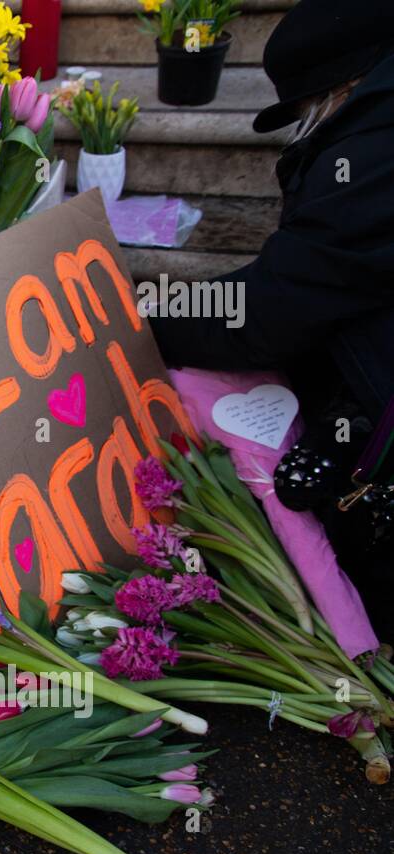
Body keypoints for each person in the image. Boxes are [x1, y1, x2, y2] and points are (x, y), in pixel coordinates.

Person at [149, 0, 394, 635]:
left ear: (341, 90)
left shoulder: (372, 153)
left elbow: (276, 309)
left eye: (310, 110)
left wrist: (150, 314)